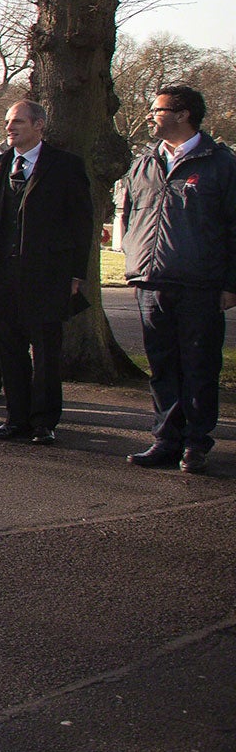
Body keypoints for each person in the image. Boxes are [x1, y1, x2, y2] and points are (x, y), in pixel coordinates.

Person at [120, 83, 236, 474]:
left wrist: (231, 283)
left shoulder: (221, 163)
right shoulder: (145, 162)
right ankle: (166, 440)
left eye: (158, 110)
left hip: (200, 283)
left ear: (184, 114)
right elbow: (131, 214)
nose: (151, 116)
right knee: (162, 366)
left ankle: (196, 443)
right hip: (151, 281)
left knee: (200, 366)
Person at [0, 101, 92, 445]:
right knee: (8, 350)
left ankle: (44, 421)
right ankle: (15, 418)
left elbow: (82, 225)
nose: (9, 127)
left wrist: (77, 275)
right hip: (0, 276)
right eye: (7, 122)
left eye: (17, 121)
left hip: (46, 277)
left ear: (38, 125)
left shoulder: (65, 166)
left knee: (46, 353)